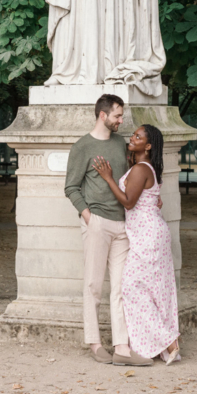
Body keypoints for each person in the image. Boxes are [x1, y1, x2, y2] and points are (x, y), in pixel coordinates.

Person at [65, 94, 152, 366]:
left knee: (121, 288)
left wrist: (152, 196)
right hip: (97, 222)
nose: (121, 120)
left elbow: (131, 178)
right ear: (103, 115)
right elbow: (71, 187)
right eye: (117, 115)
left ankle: (122, 349)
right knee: (93, 285)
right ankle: (94, 343)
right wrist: (89, 217)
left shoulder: (120, 145)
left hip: (123, 224)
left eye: (121, 115)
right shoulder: (82, 147)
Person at [93, 123, 180, 365]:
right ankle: (162, 343)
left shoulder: (142, 169)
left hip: (148, 235)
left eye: (138, 136)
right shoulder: (143, 167)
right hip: (149, 233)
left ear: (148, 146)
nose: (132, 137)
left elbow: (129, 202)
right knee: (150, 290)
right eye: (133, 134)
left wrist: (108, 178)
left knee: (131, 288)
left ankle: (169, 340)